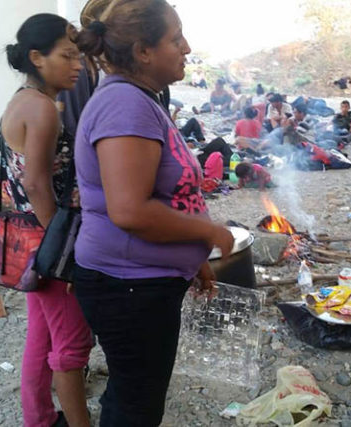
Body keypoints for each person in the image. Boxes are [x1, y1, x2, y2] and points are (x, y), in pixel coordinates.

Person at [73, 1, 235, 425]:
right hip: (127, 286)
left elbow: (165, 196)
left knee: (136, 393)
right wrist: (211, 231)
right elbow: (129, 210)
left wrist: (193, 254)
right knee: (136, 404)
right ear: (143, 51)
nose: (187, 46)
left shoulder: (141, 99)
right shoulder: (125, 103)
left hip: (142, 281)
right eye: (175, 37)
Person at [1, 14, 93, 427]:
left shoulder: (23, 99)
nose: (77, 65)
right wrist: (63, 253)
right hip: (47, 243)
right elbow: (36, 182)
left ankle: (37, 418)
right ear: (37, 57)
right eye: (68, 56)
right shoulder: (41, 110)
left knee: (41, 335)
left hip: (28, 238)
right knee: (72, 342)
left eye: (79, 56)